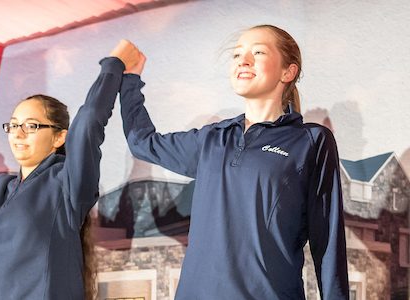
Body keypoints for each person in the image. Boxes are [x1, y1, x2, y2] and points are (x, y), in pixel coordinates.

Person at [118, 25, 348, 298]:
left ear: (288, 72)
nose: (243, 60)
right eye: (237, 54)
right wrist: (130, 80)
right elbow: (142, 143)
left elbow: (328, 241)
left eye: (258, 52)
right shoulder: (211, 139)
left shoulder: (311, 141)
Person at [0, 42, 139, 299]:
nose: (18, 134)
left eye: (31, 126)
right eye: (13, 126)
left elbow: (88, 123)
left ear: (59, 138)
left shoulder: (67, 183)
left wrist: (114, 65)